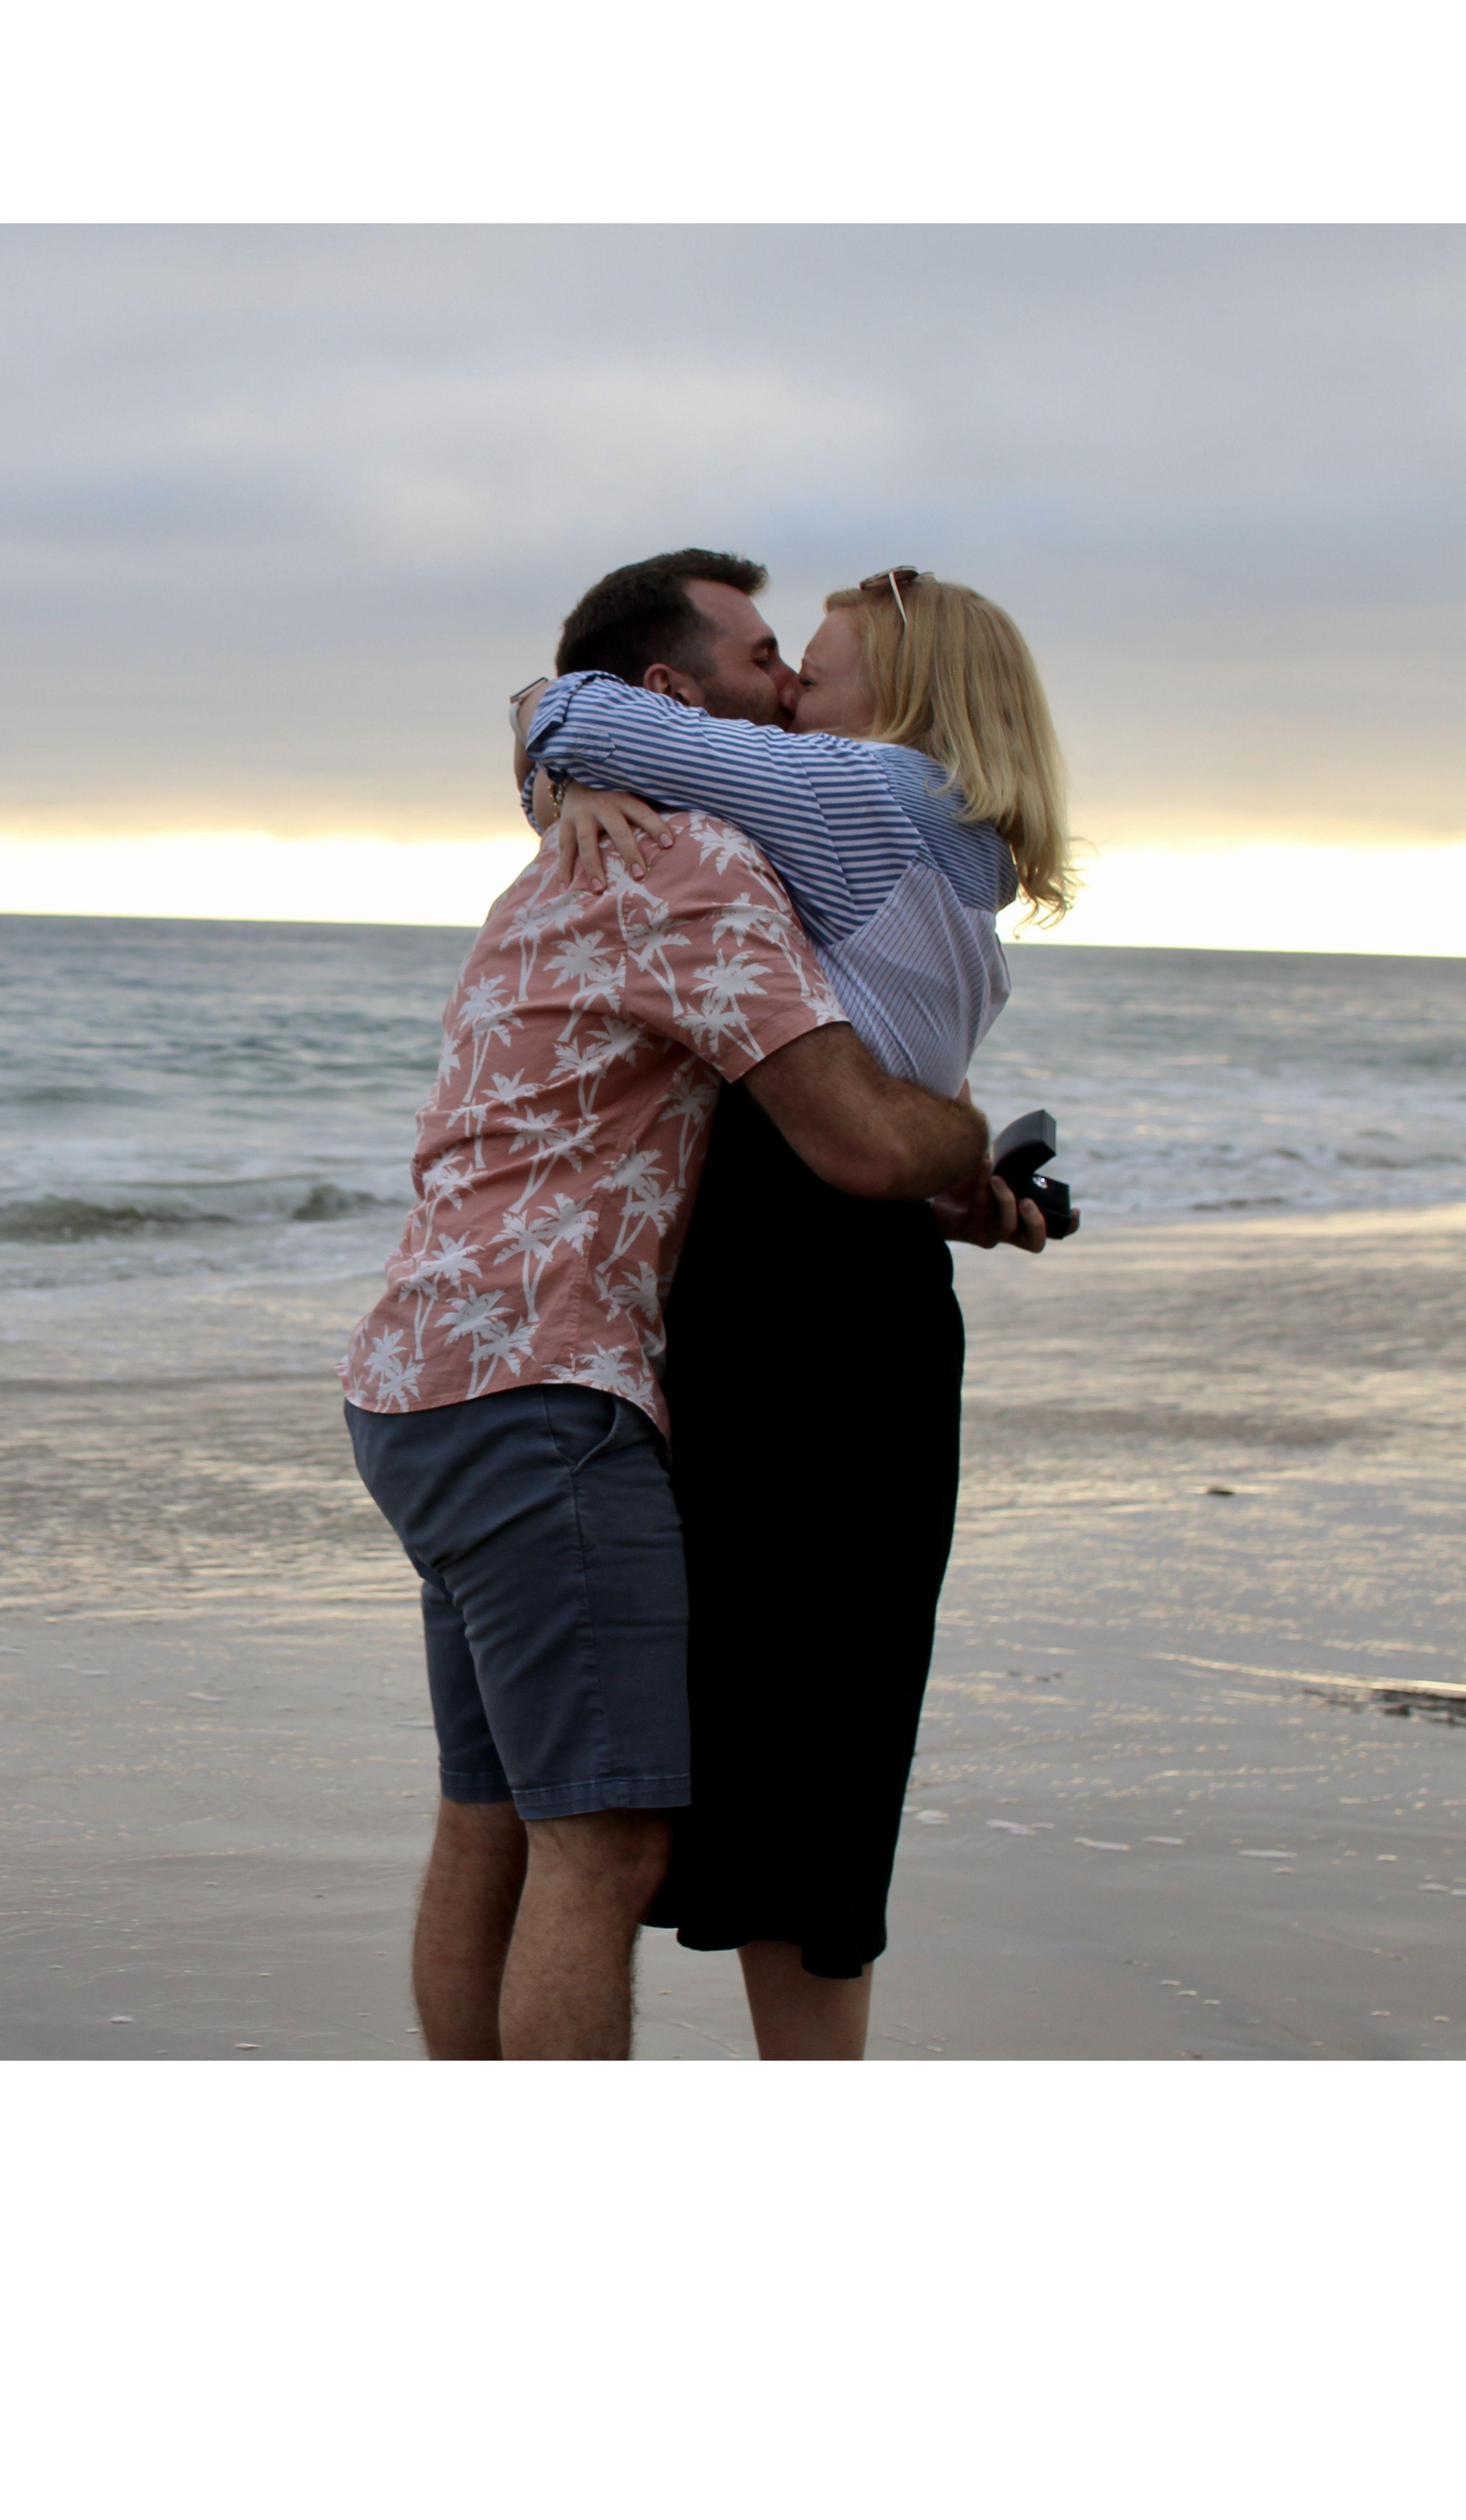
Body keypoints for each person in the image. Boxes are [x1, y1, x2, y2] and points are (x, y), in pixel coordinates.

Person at [340, 619, 993, 2062]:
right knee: (603, 1853)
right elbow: (864, 1140)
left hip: (416, 1375)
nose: (787, 684)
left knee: (494, 1817)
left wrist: (549, 766)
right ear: (667, 700)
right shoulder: (689, 862)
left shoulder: (560, 859)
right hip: (546, 1392)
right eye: (766, 654)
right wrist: (965, 1136)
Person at [514, 550, 1075, 2058]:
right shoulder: (961, 839)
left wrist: (563, 771)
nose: (788, 691)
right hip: (872, 1303)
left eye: (814, 666)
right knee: (838, 1724)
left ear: (897, 694)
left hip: (791, 1316)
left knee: (783, 1733)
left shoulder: (853, 794)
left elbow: (571, 703)